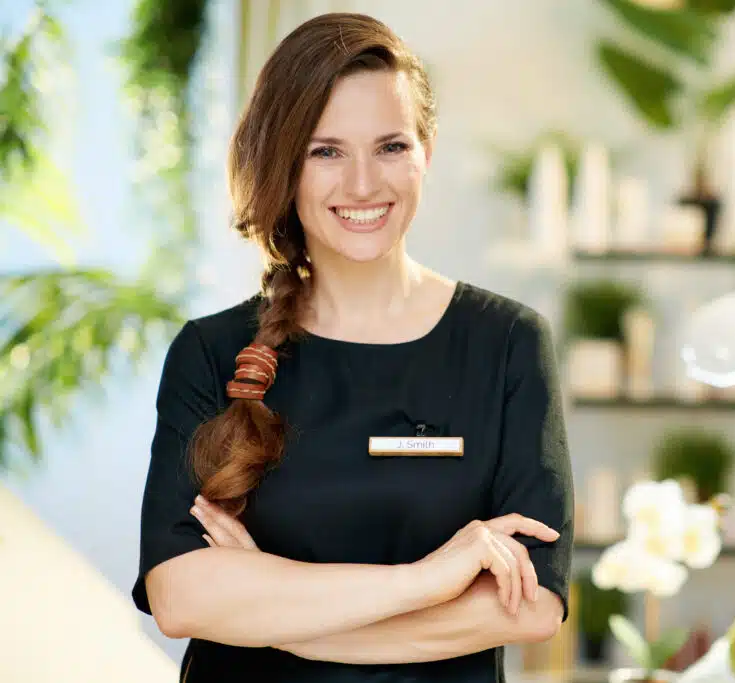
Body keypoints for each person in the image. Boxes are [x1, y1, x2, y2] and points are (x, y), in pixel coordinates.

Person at [131, 12, 574, 683]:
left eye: (391, 146)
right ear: (286, 163)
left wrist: (285, 625)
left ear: (428, 149)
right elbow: (180, 595)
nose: (363, 185)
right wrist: (428, 580)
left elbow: (531, 602)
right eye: (326, 151)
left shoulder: (508, 343)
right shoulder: (212, 352)